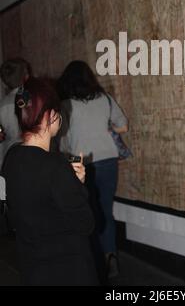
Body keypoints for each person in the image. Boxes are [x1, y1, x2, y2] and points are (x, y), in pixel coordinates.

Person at [2, 77, 98, 286]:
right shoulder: (55, 166)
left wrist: (70, 183)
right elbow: (86, 223)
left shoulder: (11, 157)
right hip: (67, 269)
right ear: (50, 116)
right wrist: (78, 186)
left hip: (31, 265)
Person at [57, 61, 128, 279]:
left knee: (83, 212)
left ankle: (89, 260)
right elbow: (123, 125)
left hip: (80, 162)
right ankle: (110, 256)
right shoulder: (104, 99)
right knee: (105, 210)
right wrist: (104, 129)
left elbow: (62, 140)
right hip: (107, 160)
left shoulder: (65, 105)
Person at [0, 58, 31, 170]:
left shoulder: (3, 104)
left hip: (8, 156)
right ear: (25, 77)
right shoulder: (31, 99)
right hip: (30, 153)